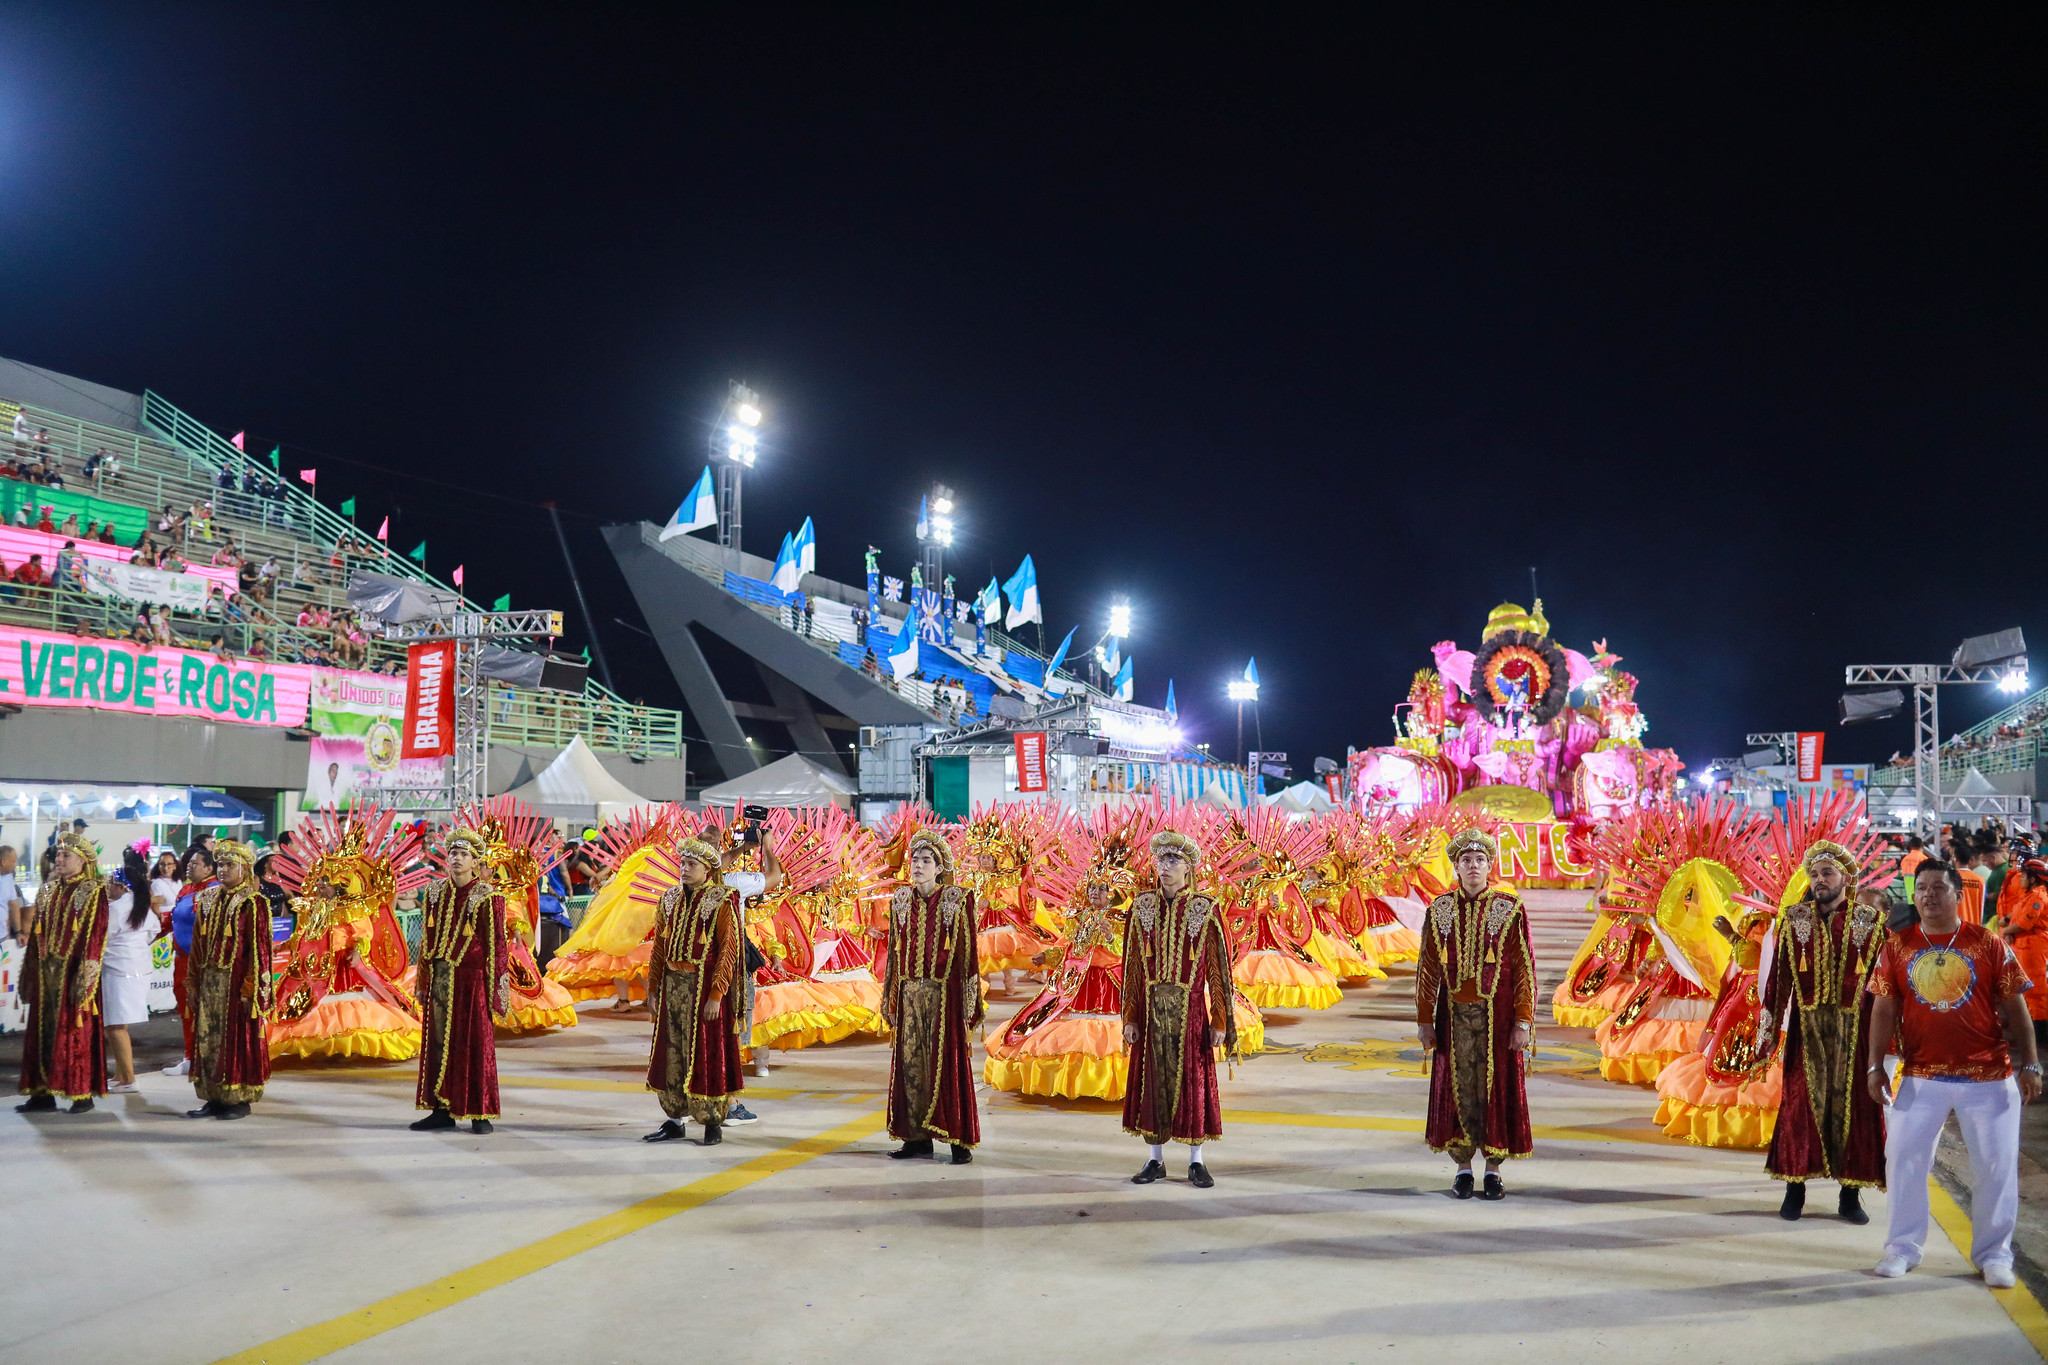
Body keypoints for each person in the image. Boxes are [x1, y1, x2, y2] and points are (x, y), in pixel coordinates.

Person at [1867, 858, 2042, 1287]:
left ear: (1955, 894)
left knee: (1996, 1168)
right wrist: (1875, 1066)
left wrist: (2031, 1062)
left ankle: (1994, 1255)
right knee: (1903, 1161)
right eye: (1921, 888)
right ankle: (1902, 1247)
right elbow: (1884, 1008)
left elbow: (2016, 1006)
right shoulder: (1897, 945)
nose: (1928, 895)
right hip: (1921, 1075)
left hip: (1989, 1078)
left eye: (1937, 887)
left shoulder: (1986, 943)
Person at [1762, 839, 1888, 1222]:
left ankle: (1850, 1197)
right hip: (1807, 1032)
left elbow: (1888, 988)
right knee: (1800, 1108)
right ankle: (1794, 1190)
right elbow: (1777, 982)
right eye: (1814, 874)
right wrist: (1766, 1036)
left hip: (1856, 1032)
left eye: (1827, 873)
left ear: (1846, 878)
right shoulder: (1793, 919)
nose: (1819, 880)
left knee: (1856, 1110)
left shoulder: (1872, 923)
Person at [1415, 828, 1537, 1198]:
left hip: (1498, 1018)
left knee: (1497, 1087)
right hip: (1451, 1017)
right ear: (1456, 866)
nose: (1473, 866)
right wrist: (1423, 1020)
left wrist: (1523, 1020)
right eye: (1466, 861)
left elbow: (1523, 968)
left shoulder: (1509, 908)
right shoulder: (1439, 909)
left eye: (1480, 860)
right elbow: (1427, 967)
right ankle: (1463, 1169)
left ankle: (1494, 1170)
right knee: (1457, 1089)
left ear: (1489, 866)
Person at [1122, 826, 1237, 1186]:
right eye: (1161, 859)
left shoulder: (1205, 908)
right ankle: (1155, 1159)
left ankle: (1196, 1160)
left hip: (1191, 1013)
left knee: (1194, 1084)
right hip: (1153, 1012)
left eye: (1174, 860)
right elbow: (1132, 969)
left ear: (1189, 867)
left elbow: (1218, 970)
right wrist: (1130, 1016)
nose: (1165, 865)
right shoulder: (1141, 906)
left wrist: (1219, 1019)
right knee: (1151, 1084)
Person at [881, 828, 983, 1163]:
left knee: (947, 1068)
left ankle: (958, 1140)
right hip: (910, 996)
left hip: (944, 998)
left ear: (939, 868)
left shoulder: (957, 899)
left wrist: (969, 1008)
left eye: (927, 860)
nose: (919, 865)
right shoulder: (899, 901)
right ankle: (916, 1138)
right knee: (911, 1069)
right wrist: (891, 1000)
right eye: (915, 859)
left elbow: (968, 958)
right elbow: (894, 957)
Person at [642, 836, 746, 1145]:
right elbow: (659, 946)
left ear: (708, 870)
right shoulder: (670, 898)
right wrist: (653, 987)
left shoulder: (723, 898)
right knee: (672, 1054)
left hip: (704, 990)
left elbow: (729, 949)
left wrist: (717, 994)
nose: (684, 869)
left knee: (707, 1054)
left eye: (691, 865)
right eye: (682, 863)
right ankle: (675, 1119)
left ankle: (712, 1122)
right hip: (673, 987)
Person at [412, 825, 510, 1134]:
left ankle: (480, 1113)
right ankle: (441, 1110)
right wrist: (424, 981)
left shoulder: (487, 896)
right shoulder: (435, 891)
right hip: (441, 978)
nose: (456, 859)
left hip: (471, 984)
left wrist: (496, 992)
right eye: (452, 853)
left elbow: (497, 948)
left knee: (473, 1045)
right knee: (439, 1044)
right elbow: (426, 942)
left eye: (463, 854)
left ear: (475, 861)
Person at [14, 832, 109, 1114]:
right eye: (57, 855)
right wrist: (31, 972)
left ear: (83, 861)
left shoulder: (93, 891)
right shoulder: (47, 890)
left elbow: (96, 938)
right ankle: (41, 1093)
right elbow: (35, 937)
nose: (59, 859)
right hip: (46, 975)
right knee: (41, 1033)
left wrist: (85, 981)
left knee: (74, 1033)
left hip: (73, 975)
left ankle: (81, 1094)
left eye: (66, 855)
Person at [186, 840, 273, 1120]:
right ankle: (213, 1096)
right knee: (208, 1040)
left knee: (234, 1041)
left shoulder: (254, 902)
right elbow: (197, 946)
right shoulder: (208, 898)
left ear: (244, 869)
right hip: (210, 984)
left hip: (236, 987)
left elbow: (259, 953)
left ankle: (237, 1099)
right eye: (220, 864)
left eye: (229, 865)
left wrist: (251, 991)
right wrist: (193, 983)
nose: (223, 870)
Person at [101, 846, 156, 1094]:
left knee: (115, 1027)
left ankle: (129, 1079)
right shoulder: (142, 906)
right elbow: (153, 933)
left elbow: (101, 938)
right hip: (137, 971)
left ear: (122, 887)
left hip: (118, 971)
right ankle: (120, 1074)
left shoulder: (115, 909)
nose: (108, 886)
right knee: (117, 1026)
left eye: (111, 882)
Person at [1999, 859, 2048, 1048]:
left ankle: (2040, 1032)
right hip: (2024, 945)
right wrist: (2008, 928)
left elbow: (2025, 924)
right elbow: (2016, 917)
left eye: (2025, 876)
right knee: (2025, 987)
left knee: (2036, 990)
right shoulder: (2030, 896)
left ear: (2033, 879)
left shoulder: (2038, 897)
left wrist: (2008, 931)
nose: (2021, 880)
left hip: (2034, 946)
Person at [0, 845, 25, 941]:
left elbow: (14, 905)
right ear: (3, 862)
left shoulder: (9, 877)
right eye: (13, 862)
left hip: (3, 935)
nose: (15, 865)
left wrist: (18, 932)